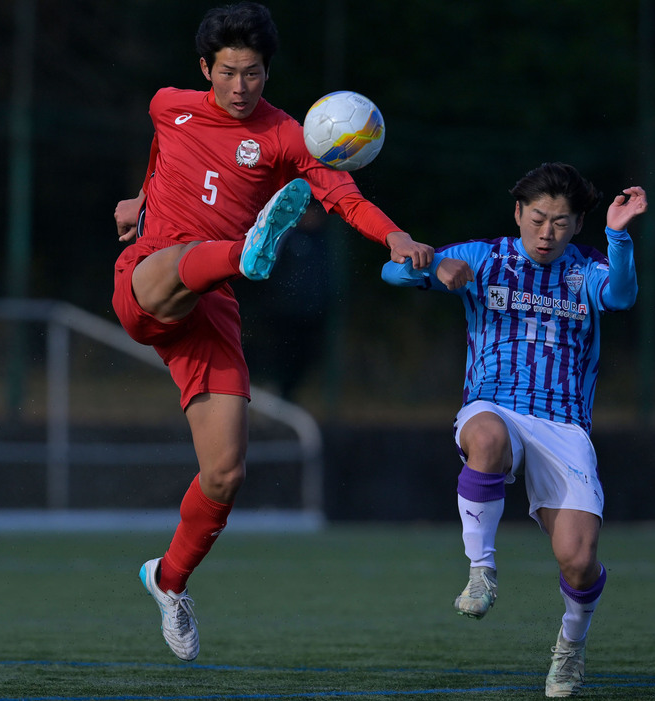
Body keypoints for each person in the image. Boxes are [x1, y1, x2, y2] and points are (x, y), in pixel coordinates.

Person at [112, 1, 433, 662]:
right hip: (150, 275)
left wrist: (394, 235)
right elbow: (159, 150)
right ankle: (246, 252)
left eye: (253, 74)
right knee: (173, 269)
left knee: (226, 471)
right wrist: (139, 200)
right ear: (205, 68)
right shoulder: (168, 103)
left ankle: (168, 580)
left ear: (267, 72)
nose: (240, 87)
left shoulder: (290, 136)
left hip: (212, 307)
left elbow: (343, 196)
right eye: (228, 73)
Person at [381, 162, 646, 697]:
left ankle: (570, 648)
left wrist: (618, 236)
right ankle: (481, 570)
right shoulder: (485, 256)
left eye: (562, 222)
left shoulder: (590, 268)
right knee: (486, 440)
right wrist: (430, 270)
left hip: (564, 423)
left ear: (576, 226)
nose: (547, 232)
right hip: (494, 404)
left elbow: (621, 297)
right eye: (539, 218)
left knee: (578, 557)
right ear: (519, 213)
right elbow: (392, 272)